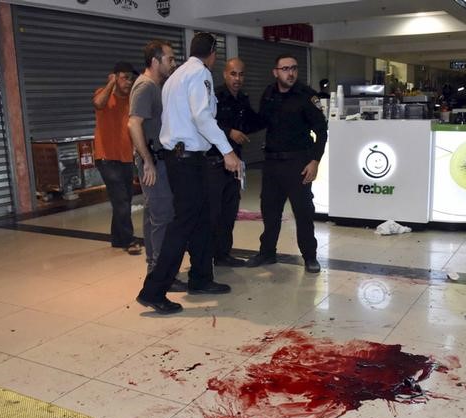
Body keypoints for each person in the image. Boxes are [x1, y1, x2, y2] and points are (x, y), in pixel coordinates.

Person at [136, 32, 241, 315]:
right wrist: (227, 151)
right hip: (186, 160)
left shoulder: (176, 76)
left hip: (184, 158)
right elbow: (202, 116)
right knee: (183, 223)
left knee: (202, 219)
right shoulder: (199, 74)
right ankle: (154, 290)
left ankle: (201, 278)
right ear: (213, 53)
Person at [245, 54, 327, 273]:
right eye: (285, 69)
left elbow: (321, 131)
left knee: (303, 212)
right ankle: (267, 253)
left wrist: (315, 161)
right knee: (270, 211)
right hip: (272, 164)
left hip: (298, 163)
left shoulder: (306, 96)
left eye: (294, 68)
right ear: (275, 72)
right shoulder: (269, 94)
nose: (290, 73)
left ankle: (310, 256)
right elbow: (261, 121)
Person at [128, 40, 187, 293]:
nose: (173, 64)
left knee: (154, 217)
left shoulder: (155, 86)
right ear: (155, 61)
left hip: (157, 158)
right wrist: (148, 162)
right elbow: (133, 124)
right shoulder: (146, 87)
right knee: (162, 218)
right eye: (170, 59)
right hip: (153, 160)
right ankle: (161, 276)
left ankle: (154, 270)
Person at [205, 57, 263, 267]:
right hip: (214, 162)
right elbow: (205, 122)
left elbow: (252, 122)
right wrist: (229, 132)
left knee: (229, 211)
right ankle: (205, 258)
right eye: (233, 74)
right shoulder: (215, 96)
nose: (237, 78)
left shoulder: (242, 99)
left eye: (241, 74)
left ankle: (223, 255)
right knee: (213, 213)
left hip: (235, 163)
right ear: (224, 74)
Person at [93, 61, 141, 255]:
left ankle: (117, 238)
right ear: (114, 77)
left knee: (124, 199)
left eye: (131, 78)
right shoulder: (103, 94)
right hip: (106, 157)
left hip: (126, 158)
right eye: (125, 78)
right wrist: (111, 84)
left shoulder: (131, 100)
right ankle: (129, 240)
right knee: (121, 199)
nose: (129, 82)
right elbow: (98, 104)